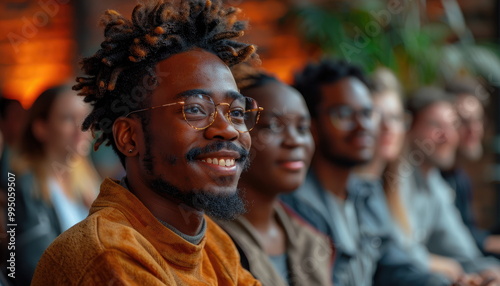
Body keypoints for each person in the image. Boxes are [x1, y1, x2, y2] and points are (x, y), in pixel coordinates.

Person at [31, 1, 262, 285]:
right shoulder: (108, 253)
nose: (228, 130)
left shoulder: (213, 240)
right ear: (129, 137)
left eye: (236, 112)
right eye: (195, 109)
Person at [280, 59, 450, 286]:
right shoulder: (292, 205)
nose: (363, 126)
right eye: (343, 115)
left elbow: (394, 266)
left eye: (367, 113)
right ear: (311, 125)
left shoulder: (367, 194)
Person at [215, 64, 333, 286]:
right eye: (272, 127)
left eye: (302, 127)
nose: (294, 141)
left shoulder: (312, 233)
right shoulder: (210, 239)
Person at [396, 86, 500, 283]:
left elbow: (462, 250)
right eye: (436, 125)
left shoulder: (436, 183)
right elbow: (396, 253)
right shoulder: (395, 179)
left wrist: (490, 272)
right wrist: (445, 266)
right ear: (409, 128)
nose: (447, 136)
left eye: (451, 126)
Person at [10, 84, 99, 286]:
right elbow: (28, 264)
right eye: (68, 118)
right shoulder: (22, 184)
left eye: (86, 118)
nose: (82, 129)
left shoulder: (89, 181)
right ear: (41, 128)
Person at [440, 79, 500, 257]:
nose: (474, 129)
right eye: (464, 121)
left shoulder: (460, 178)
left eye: (478, 120)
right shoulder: (432, 176)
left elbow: (467, 231)